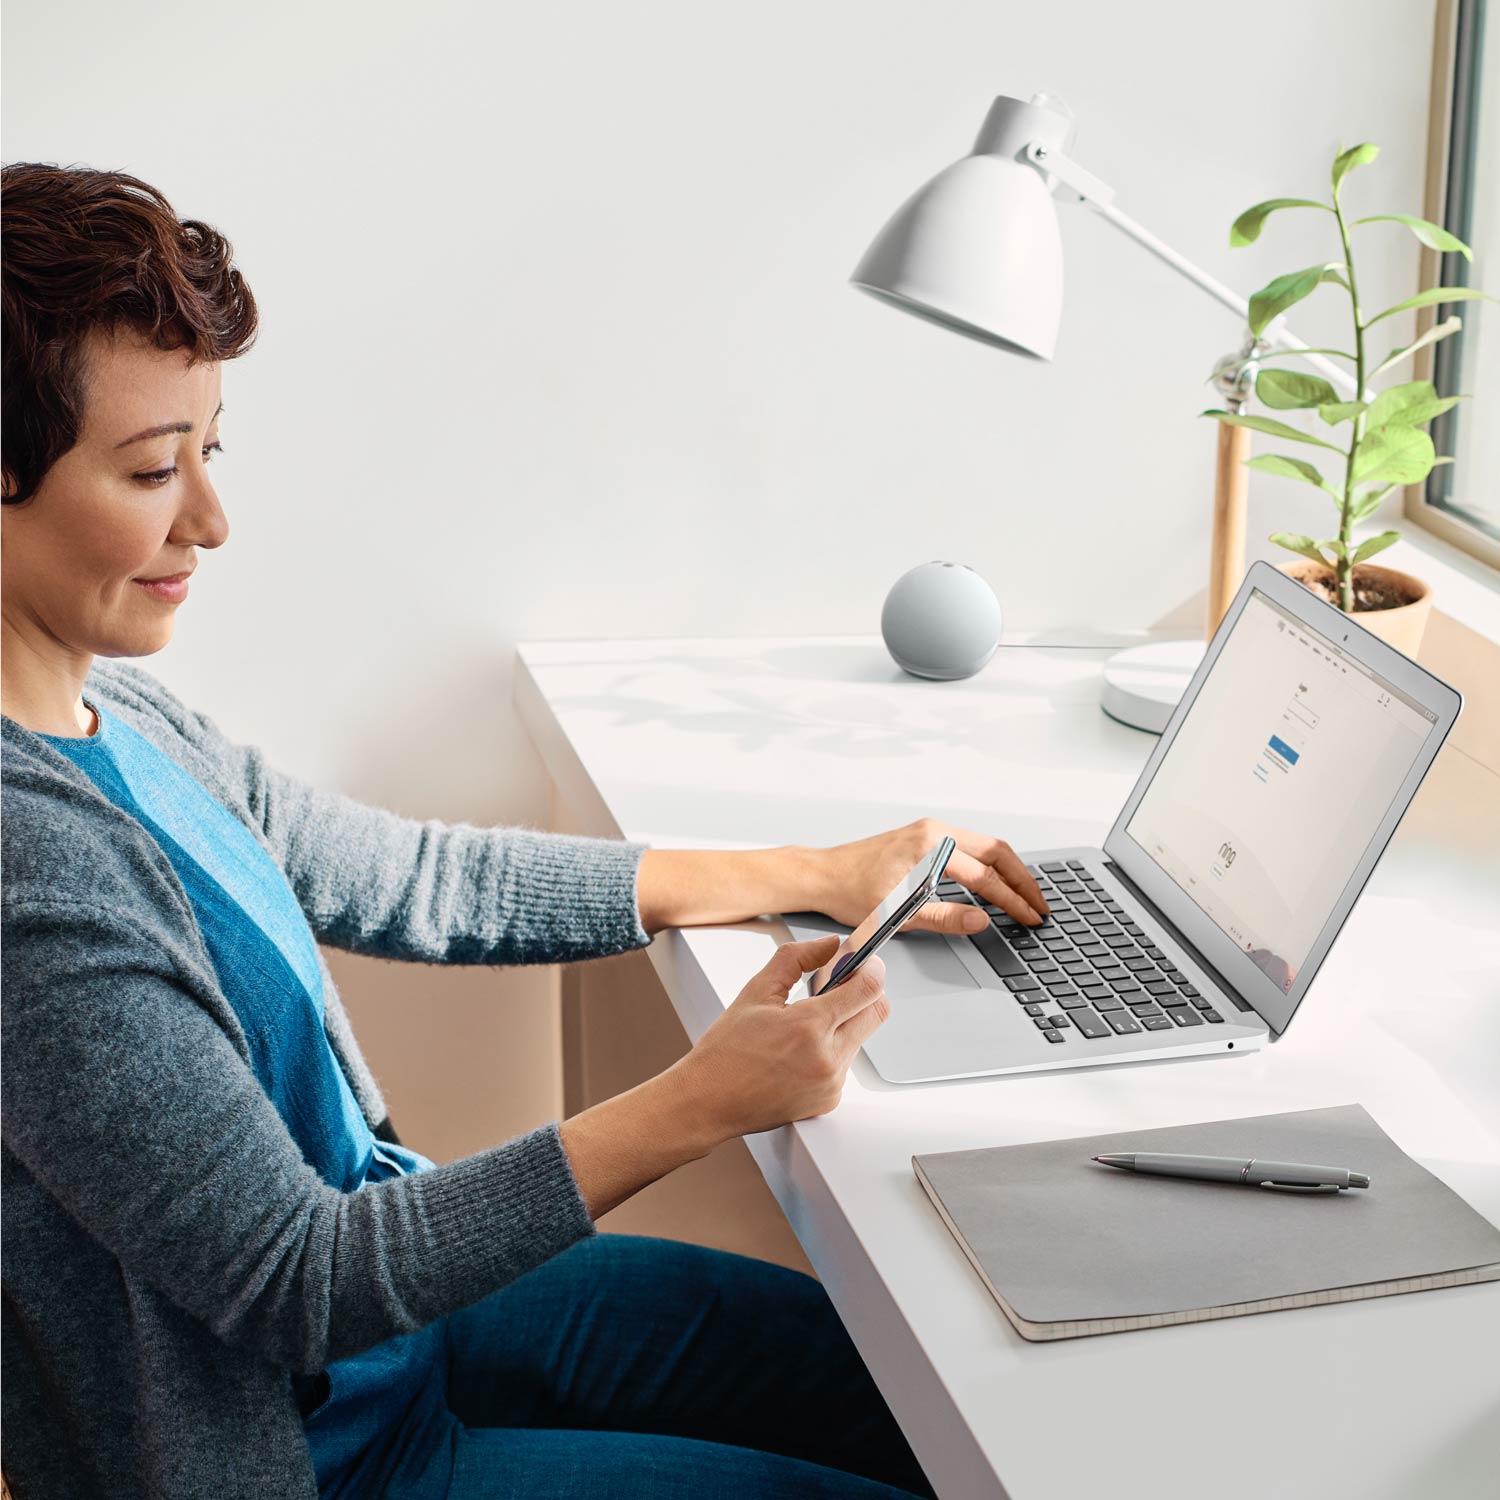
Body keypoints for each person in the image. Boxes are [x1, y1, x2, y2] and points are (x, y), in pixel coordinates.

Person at [0, 164, 1050, 1500]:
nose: (210, 520)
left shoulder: (116, 711)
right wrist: (705, 1099)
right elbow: (297, 1279)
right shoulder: (27, 870)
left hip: (402, 1338)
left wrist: (821, 872)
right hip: (315, 1454)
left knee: (902, 1388)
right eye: (154, 469)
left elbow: (409, 878)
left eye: (211, 451)